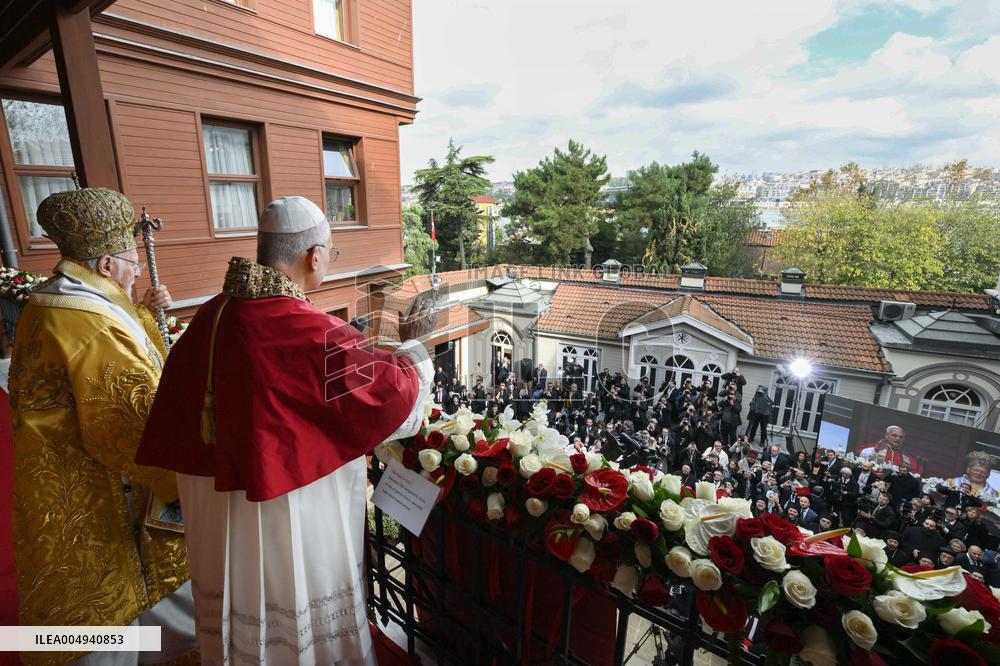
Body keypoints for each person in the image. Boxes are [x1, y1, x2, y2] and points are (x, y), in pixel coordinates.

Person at [137, 197, 436, 665]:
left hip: (218, 512)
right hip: (287, 510)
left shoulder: (210, 316)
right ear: (314, 256)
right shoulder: (308, 329)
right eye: (330, 254)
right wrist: (418, 343)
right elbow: (395, 398)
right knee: (293, 611)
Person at [9, 187, 197, 664]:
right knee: (118, 621)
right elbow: (131, 428)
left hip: (58, 475)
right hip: (104, 493)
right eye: (131, 262)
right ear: (106, 265)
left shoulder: (51, 301)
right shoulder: (92, 325)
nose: (136, 270)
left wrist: (145, 311)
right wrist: (195, 479)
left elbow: (133, 351)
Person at [856, 425, 924, 475]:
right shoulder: (875, 446)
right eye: (894, 435)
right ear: (886, 435)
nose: (897, 438)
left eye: (901, 437)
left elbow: (914, 474)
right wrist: (875, 450)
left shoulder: (908, 458)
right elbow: (861, 457)